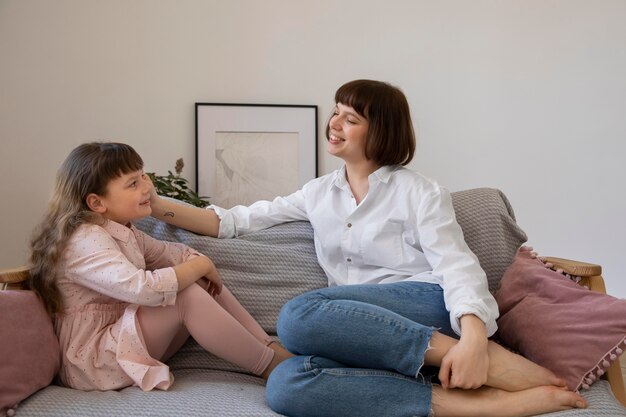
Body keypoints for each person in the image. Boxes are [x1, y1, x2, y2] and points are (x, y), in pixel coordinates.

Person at [149, 80, 588, 416]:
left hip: (425, 306)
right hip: (358, 331)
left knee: (298, 317)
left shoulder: (421, 192)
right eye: (336, 113)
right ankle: (475, 406)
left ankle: (484, 363)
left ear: (381, 132)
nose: (334, 123)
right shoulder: (317, 193)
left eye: (350, 118)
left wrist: (473, 340)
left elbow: (457, 266)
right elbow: (229, 221)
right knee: (285, 384)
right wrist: (152, 204)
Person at [28, 142, 292, 392]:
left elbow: (175, 254)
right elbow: (142, 289)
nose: (146, 188)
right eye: (133, 183)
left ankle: (268, 348)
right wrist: (201, 264)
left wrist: (200, 264)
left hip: (124, 343)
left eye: (143, 176)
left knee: (192, 280)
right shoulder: (86, 239)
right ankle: (268, 364)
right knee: (184, 292)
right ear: (97, 203)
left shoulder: (125, 232)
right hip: (93, 361)